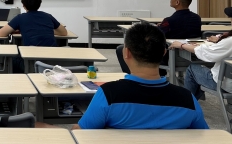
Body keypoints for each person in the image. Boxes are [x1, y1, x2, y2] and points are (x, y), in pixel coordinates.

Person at [73, 22, 208, 130]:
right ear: (164, 52)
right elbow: (204, 138)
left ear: (126, 53)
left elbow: (82, 133)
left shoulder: (108, 94)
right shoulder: (187, 99)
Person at [171, 2, 232, 100]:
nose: (230, 17)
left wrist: (182, 45)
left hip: (228, 85)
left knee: (192, 68)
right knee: (204, 70)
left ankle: (185, 103)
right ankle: (192, 102)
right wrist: (215, 43)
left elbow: (209, 54)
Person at [116, 0, 201, 74]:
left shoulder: (170, 21)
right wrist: (163, 26)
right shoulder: (197, 18)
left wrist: (160, 27)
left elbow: (156, 36)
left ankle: (137, 77)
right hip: (190, 57)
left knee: (121, 49)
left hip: (169, 57)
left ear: (177, 2)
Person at [0, 0, 67, 72]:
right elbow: (63, 32)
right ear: (39, 4)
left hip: (31, 63)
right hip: (52, 63)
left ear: (23, 5)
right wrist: (45, 29)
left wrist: (22, 29)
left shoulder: (20, 18)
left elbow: (0, 34)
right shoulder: (48, 16)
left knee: (11, 58)